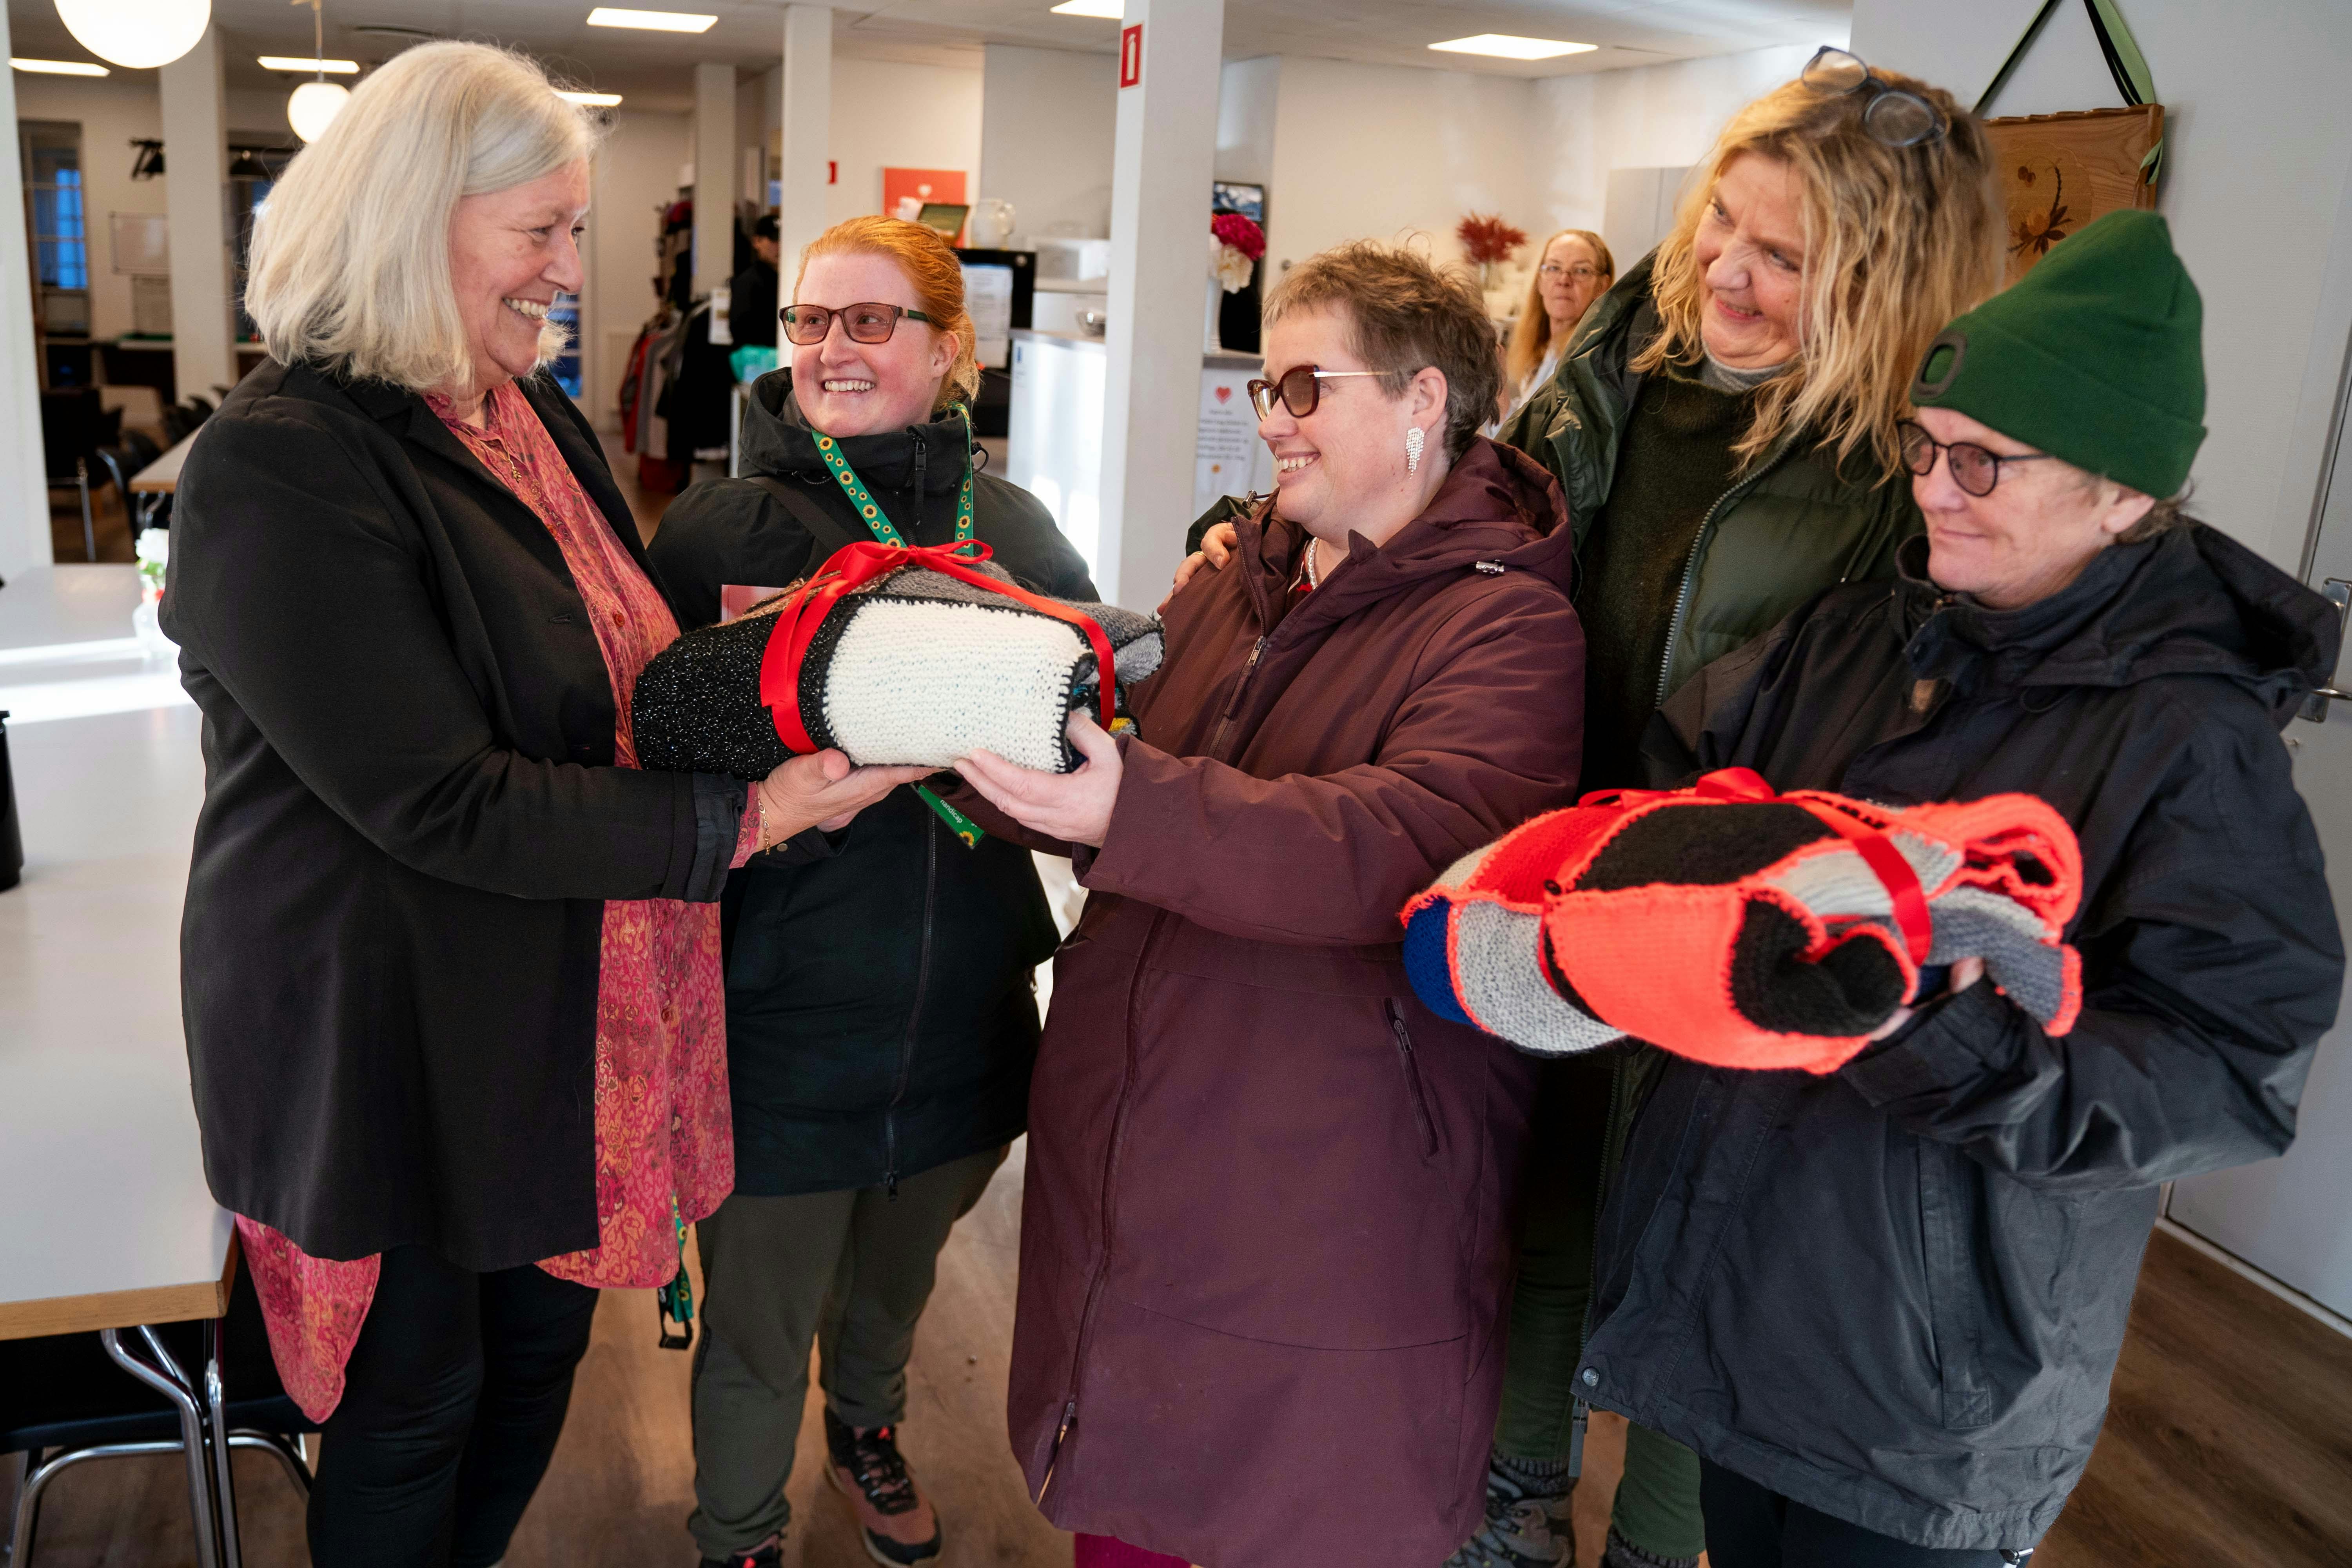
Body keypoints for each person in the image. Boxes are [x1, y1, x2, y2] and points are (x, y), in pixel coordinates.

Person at [1182, 52, 2007, 1568]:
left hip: (1728, 903)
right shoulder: (1626, 353)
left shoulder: (1897, 467)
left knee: (1700, 1245)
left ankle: (1652, 1540)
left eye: (1782, 258)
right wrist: (1270, 532)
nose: (1727, 275)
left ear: (1882, 282)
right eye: (1721, 227)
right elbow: (1480, 506)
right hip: (1544, 852)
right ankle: (1509, 1507)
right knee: (1533, 1192)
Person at [163, 43, 920, 1564]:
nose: (572, 270)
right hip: (391, 1028)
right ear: (410, 217)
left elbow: (608, 666)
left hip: (552, 1008)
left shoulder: (516, 414)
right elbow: (441, 798)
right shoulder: (285, 457)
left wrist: (819, 668)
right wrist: (753, 819)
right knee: (418, 1395)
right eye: (541, 230)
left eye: (574, 230)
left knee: (530, 1371)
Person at [1593, 208, 2343, 1566]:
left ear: (2125, 493)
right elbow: (1683, 784)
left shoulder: (2191, 740)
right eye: (1925, 450)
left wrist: (1943, 1034)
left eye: (1984, 463)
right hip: (1742, 1299)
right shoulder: (1854, 635)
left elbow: (2231, 1064)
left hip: (1927, 1390)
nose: (1936, 491)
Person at [951, 241, 1586, 1568]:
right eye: (1267, 386)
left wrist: (1130, 809)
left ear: (1422, 400)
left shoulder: (1509, 627)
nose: (1273, 417)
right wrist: (977, 751)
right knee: (1129, 1500)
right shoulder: (1248, 583)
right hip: (1148, 1138)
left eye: (1309, 384)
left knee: (1291, 1504)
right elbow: (1136, 774)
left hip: (1321, 1181)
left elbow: (1412, 842)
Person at [646, 214, 1095, 1568]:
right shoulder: (717, 528)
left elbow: (1092, 736)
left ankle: (868, 1428)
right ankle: (736, 1530)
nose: (829, 351)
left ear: (951, 348)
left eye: (868, 321)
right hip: (775, 1014)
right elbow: (646, 756)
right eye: (809, 323)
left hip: (963, 1009)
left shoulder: (1014, 529)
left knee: (897, 1286)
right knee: (756, 1323)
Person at [1498, 230, 1613, 422]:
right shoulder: (1543, 351)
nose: (1564, 280)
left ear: (1602, 286)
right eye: (1553, 268)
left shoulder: (1592, 364)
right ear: (1540, 281)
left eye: (1581, 271)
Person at [730, 210, 782, 350]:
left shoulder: (790, 280)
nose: (779, 245)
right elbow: (741, 331)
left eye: (783, 239)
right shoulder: (748, 282)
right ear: (757, 242)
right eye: (773, 239)